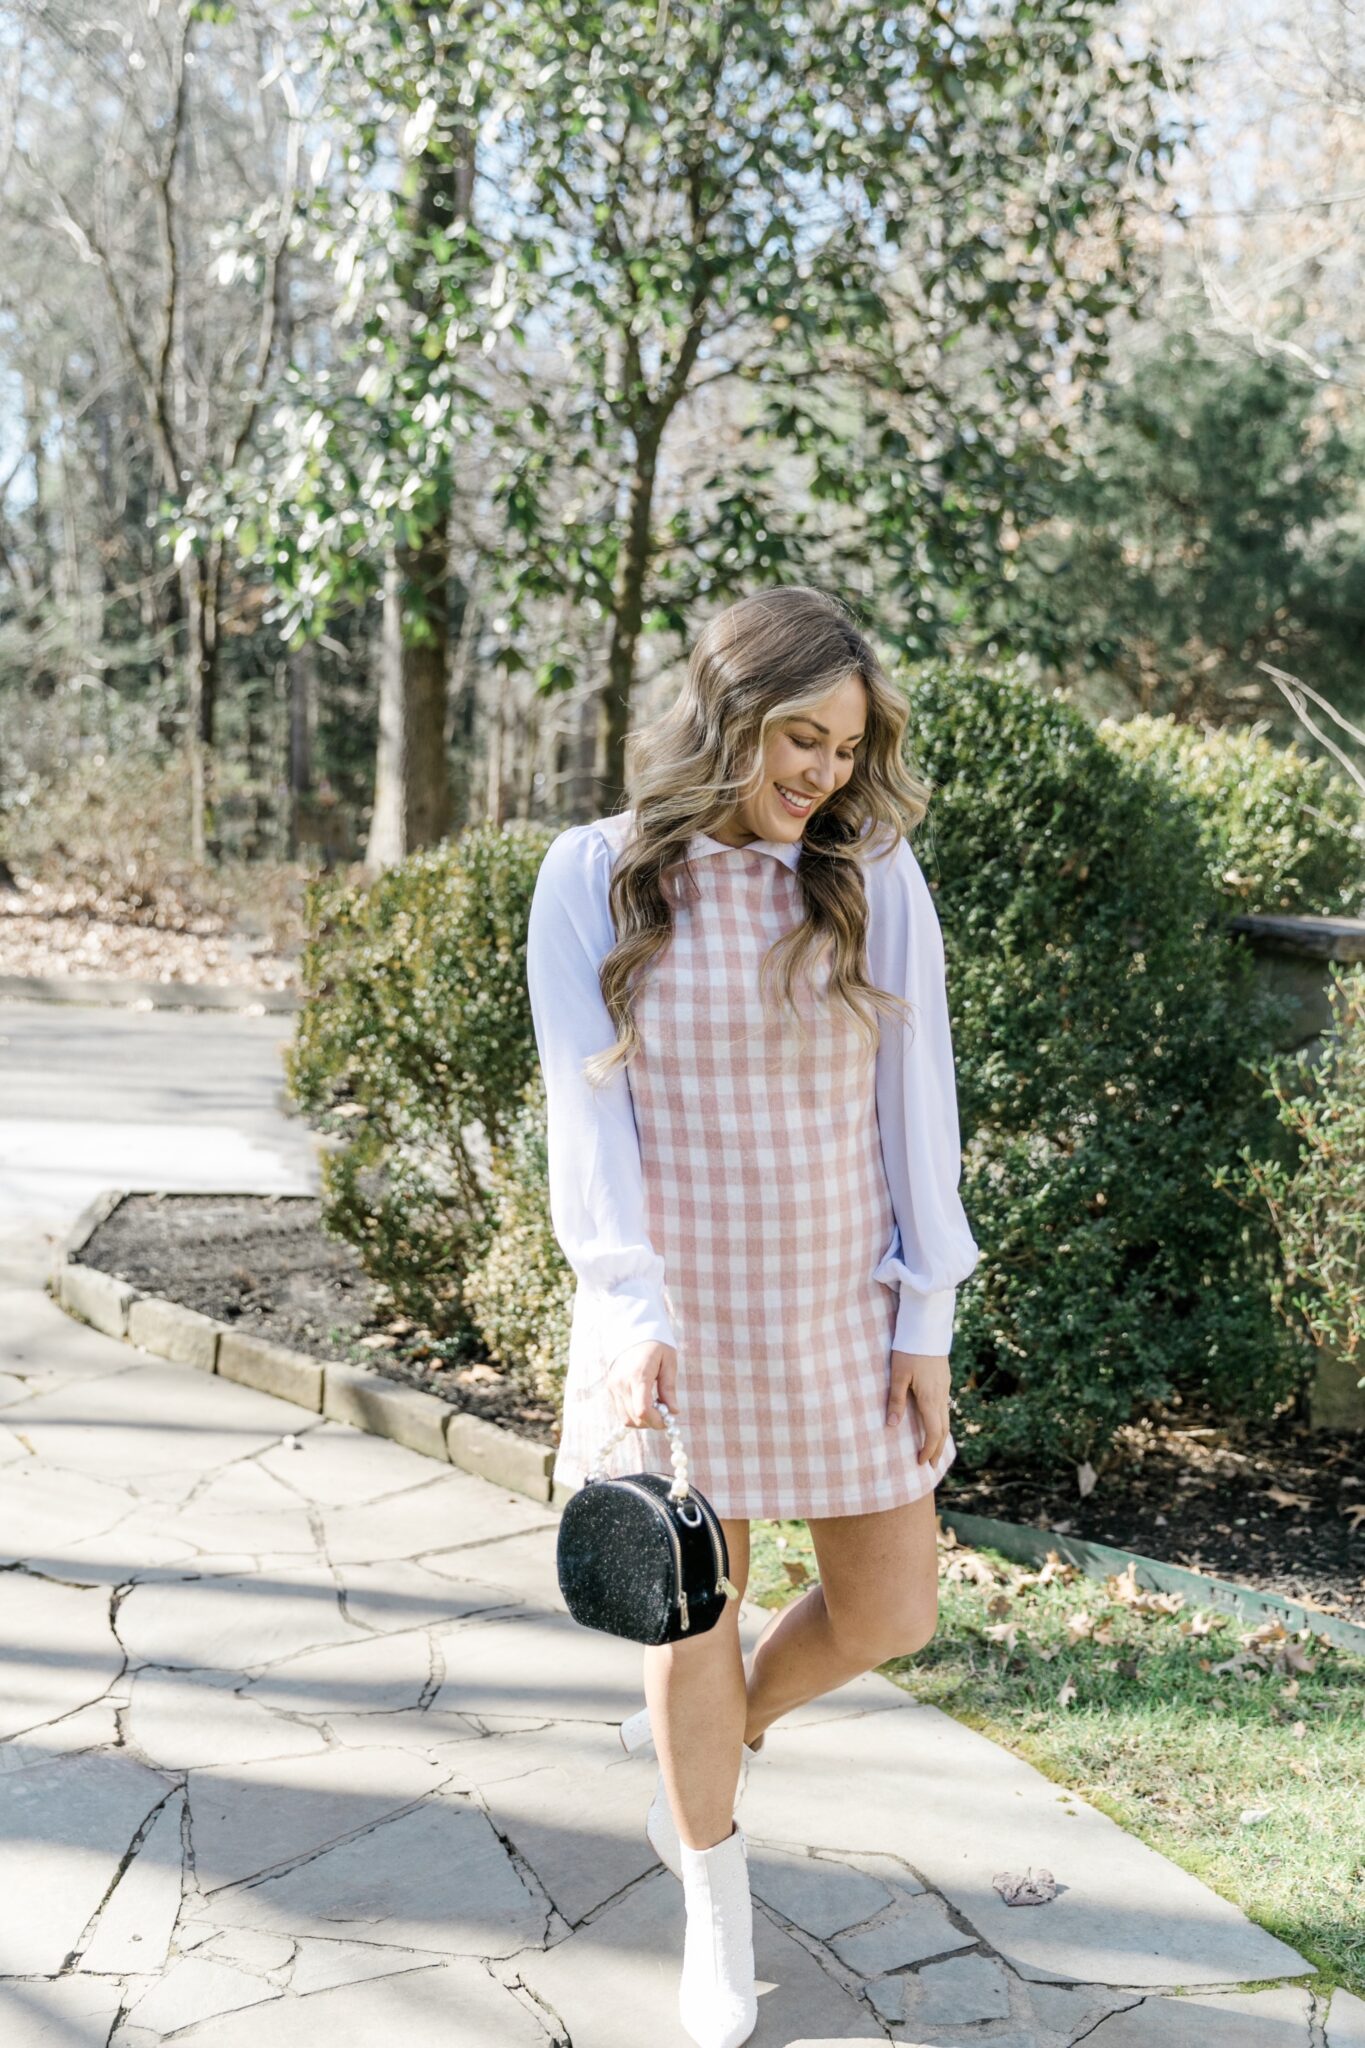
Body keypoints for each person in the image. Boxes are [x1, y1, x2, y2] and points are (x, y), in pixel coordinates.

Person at [525, 585, 980, 2048]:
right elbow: (583, 1121)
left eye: (845, 750)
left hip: (839, 1302)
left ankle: (712, 1750)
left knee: (890, 1607)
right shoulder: (592, 875)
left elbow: (920, 1111)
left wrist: (926, 1325)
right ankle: (713, 1901)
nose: (823, 775)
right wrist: (629, 1302)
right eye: (801, 738)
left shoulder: (870, 877)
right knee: (692, 1616)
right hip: (673, 1312)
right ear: (725, 713)